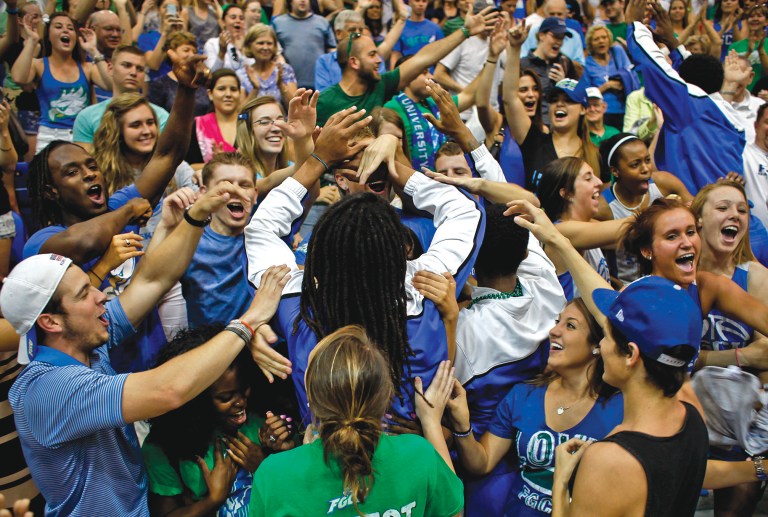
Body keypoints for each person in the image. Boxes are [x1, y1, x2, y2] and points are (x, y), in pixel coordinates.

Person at [3, 182, 293, 516]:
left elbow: (151, 281)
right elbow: (168, 390)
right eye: (84, 294)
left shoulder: (86, 343)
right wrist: (249, 321)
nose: (101, 295)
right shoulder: (50, 389)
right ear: (51, 323)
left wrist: (196, 216)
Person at [245, 104, 484, 424]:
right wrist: (395, 161)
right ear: (399, 252)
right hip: (408, 466)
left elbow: (262, 228)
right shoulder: (424, 294)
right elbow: (464, 211)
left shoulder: (299, 311)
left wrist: (318, 161)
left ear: (321, 259)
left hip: (322, 464)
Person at [420, 297, 621, 517]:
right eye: (557, 321)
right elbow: (482, 463)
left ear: (597, 345)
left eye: (570, 325)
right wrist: (462, 425)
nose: (554, 330)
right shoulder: (524, 395)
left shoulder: (620, 407)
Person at [249, 325, 464, 516]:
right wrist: (431, 423)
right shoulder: (419, 455)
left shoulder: (274, 476)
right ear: (385, 399)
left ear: (312, 400)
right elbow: (454, 510)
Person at [143, 324, 294, 516]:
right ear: (196, 400)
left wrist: (266, 464)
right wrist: (212, 500)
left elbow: (297, 488)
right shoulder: (163, 448)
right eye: (226, 398)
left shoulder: (261, 418)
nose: (241, 402)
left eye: (244, 388)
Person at [690, 180, 768, 515]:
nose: (734, 214)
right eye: (722, 207)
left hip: (741, 425)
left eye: (741, 209)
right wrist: (738, 356)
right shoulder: (681, 274)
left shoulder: (756, 277)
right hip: (688, 414)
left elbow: (764, 358)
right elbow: (669, 360)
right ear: (699, 220)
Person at [315, 5, 497, 126]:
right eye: (372, 55)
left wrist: (465, 32)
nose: (380, 60)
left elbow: (423, 58)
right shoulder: (324, 102)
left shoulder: (380, 85)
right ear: (353, 62)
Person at [504, 18, 600, 190]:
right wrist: (514, 48)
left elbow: (601, 203)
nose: (559, 105)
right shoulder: (534, 141)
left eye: (568, 100)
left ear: (584, 109)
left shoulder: (595, 154)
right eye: (554, 100)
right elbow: (510, 98)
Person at [92, 92, 195, 245]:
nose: (147, 131)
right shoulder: (100, 174)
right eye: (136, 125)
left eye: (150, 122)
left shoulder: (177, 167)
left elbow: (199, 205)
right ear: (117, 132)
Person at [596, 133, 692, 283]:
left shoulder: (665, 184)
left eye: (647, 160)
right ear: (615, 171)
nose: (646, 169)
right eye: (635, 164)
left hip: (672, 280)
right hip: (629, 287)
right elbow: (596, 258)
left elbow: (696, 214)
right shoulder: (603, 207)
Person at [10, 12, 113, 152]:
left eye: (70, 28)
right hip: (49, 135)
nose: (65, 30)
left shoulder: (87, 67)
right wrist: (33, 40)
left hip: (82, 135)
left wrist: (93, 51)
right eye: (58, 26)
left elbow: (111, 85)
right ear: (48, 36)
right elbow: (18, 77)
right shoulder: (39, 65)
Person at [536, 157, 626, 298]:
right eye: (588, 178)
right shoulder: (561, 232)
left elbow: (630, 236)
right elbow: (627, 228)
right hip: (570, 318)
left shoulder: (589, 224)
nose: (599, 182)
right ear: (567, 194)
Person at [73, 44, 170, 153]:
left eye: (140, 69)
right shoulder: (87, 116)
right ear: (110, 68)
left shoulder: (161, 116)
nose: (133, 73)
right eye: (127, 65)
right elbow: (85, 163)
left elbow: (163, 159)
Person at [314, 9, 403, 93]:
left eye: (360, 30)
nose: (358, 34)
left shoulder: (375, 60)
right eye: (352, 30)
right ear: (338, 34)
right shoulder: (324, 62)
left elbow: (380, 90)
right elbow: (323, 95)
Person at [2, 0, 43, 162]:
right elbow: (25, 81)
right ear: (20, 20)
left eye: (40, 17)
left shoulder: (47, 44)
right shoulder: (14, 44)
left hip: (39, 104)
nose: (37, 21)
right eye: (33, 17)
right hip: (16, 103)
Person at [519, 17, 579, 126]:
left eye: (561, 38)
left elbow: (576, 99)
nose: (559, 42)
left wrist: (563, 83)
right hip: (530, 127)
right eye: (555, 36)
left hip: (557, 128)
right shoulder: (523, 64)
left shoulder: (565, 63)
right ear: (541, 35)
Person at [271, 0, 336, 89]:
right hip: (289, 86)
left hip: (321, 86)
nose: (303, 1)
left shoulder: (322, 22)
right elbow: (274, 51)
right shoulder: (278, 23)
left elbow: (332, 51)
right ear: (290, 2)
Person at [582, 24, 637, 129]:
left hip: (625, 109)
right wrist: (607, 86)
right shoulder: (588, 63)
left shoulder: (618, 52)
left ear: (609, 39)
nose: (601, 41)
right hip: (603, 113)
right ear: (591, 44)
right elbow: (586, 94)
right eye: (596, 39)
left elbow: (630, 74)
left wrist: (623, 83)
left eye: (604, 37)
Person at [146, 31, 211, 118]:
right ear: (172, 53)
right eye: (186, 50)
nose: (191, 54)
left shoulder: (201, 81)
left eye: (194, 51)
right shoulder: (160, 84)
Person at [187, 69, 241, 166]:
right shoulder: (199, 125)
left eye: (233, 89)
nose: (228, 94)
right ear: (210, 94)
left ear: (240, 94)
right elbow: (190, 166)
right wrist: (217, 164)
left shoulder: (249, 122)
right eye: (221, 89)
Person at [238, 23, 297, 105]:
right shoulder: (242, 74)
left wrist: (281, 85)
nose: (265, 48)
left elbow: (295, 108)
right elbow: (241, 115)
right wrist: (255, 89)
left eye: (269, 43)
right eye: (260, 43)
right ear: (249, 46)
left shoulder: (285, 70)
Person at [519, 0, 586, 66]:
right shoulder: (531, 33)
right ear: (544, 14)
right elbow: (522, 61)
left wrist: (564, 63)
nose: (555, 17)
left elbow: (580, 67)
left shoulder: (574, 36)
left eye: (559, 14)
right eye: (552, 14)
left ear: (566, 15)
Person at [728, 4, 768, 91]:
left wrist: (761, 50)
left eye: (759, 16)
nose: (755, 19)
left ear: (766, 22)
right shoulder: (735, 46)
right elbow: (731, 72)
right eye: (751, 16)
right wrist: (748, 52)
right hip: (738, 93)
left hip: (762, 94)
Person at [390, 0, 444, 65]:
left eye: (424, 1)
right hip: (408, 71)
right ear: (410, 2)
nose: (421, 4)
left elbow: (441, 55)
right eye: (417, 0)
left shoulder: (435, 28)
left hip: (430, 73)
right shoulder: (401, 27)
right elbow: (395, 55)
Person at [203, 4, 250, 73]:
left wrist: (241, 50)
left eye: (241, 18)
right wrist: (222, 52)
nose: (238, 21)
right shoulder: (212, 43)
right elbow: (212, 73)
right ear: (223, 22)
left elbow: (252, 70)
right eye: (233, 17)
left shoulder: (249, 45)